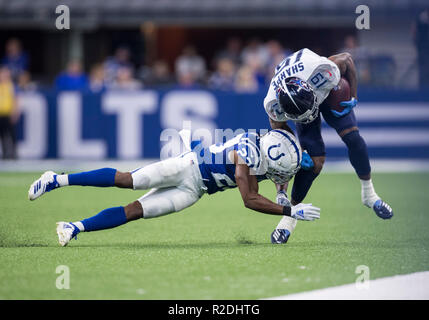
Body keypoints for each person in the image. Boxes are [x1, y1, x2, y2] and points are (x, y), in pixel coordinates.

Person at [28, 129, 320, 246]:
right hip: (186, 167)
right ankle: (57, 179)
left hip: (194, 191)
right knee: (128, 180)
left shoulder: (270, 148)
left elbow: (280, 169)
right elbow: (250, 199)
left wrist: (284, 187)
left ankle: (74, 227)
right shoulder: (247, 157)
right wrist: (288, 208)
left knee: (135, 212)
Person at [264, 48, 393, 244]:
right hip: (301, 101)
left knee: (353, 139)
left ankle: (369, 194)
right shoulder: (273, 103)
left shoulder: (322, 71)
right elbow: (280, 130)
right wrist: (297, 151)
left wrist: (353, 96)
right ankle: (289, 219)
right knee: (314, 164)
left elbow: (347, 60)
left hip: (322, 91)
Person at [0, 66, 19, 159]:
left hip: (8, 114)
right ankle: (4, 154)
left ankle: (14, 153)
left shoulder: (11, 85)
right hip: (0, 114)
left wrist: (15, 112)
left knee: (11, 135)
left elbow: (15, 99)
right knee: (2, 136)